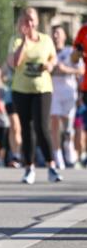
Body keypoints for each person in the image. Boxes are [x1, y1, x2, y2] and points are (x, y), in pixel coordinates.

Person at [7, 7, 61, 184]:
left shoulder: (46, 40)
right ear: (21, 22)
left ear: (37, 21)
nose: (29, 23)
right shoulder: (15, 40)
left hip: (42, 89)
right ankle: (29, 167)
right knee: (26, 128)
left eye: (32, 20)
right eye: (25, 20)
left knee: (41, 126)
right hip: (21, 90)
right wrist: (24, 42)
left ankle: (51, 165)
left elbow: (54, 58)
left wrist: (50, 65)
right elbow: (14, 63)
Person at [50, 25, 82, 168]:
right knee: (54, 122)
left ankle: (67, 143)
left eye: (58, 33)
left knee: (67, 126)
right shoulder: (48, 52)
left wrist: (65, 69)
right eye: (54, 33)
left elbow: (80, 70)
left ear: (64, 36)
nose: (55, 36)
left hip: (68, 93)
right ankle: (57, 156)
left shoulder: (71, 52)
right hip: (53, 91)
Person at [71, 20, 87, 164]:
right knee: (83, 124)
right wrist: (79, 52)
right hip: (85, 86)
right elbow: (74, 58)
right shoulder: (83, 31)